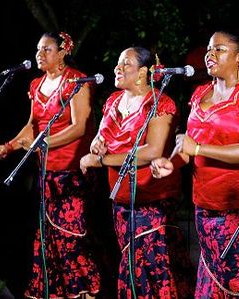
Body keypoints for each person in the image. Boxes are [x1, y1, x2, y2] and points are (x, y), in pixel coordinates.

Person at [151, 30, 239, 297]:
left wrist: (197, 148)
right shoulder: (200, 94)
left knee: (237, 283)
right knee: (211, 279)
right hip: (204, 203)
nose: (210, 54)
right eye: (209, 49)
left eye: (219, 49)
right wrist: (173, 162)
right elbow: (188, 145)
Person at [79, 46, 194, 298]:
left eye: (125, 64)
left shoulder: (160, 103)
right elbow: (100, 138)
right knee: (132, 263)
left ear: (143, 72)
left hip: (151, 197)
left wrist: (103, 160)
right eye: (118, 63)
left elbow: (152, 151)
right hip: (120, 198)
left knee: (153, 266)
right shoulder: (113, 101)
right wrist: (96, 145)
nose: (117, 68)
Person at [0, 32, 100, 298]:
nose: (40, 54)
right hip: (46, 172)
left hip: (72, 172)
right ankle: (56, 292)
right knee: (49, 237)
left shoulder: (76, 81)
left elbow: (79, 126)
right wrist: (10, 145)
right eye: (38, 49)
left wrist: (44, 143)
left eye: (47, 49)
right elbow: (32, 126)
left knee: (70, 236)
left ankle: (83, 290)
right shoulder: (36, 84)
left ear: (63, 51)